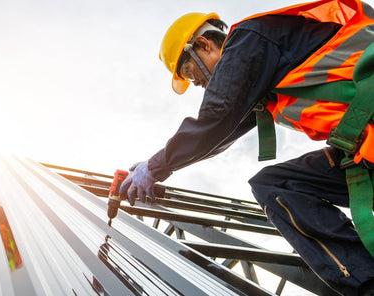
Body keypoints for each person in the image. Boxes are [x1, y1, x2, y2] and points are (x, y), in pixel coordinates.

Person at [119, 0, 374, 295]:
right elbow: (218, 136)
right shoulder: (263, 76)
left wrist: (155, 167)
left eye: (192, 74)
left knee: (277, 184)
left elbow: (216, 117)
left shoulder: (249, 39)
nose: (199, 84)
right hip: (365, 147)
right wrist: (158, 165)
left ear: (204, 44)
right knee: (277, 185)